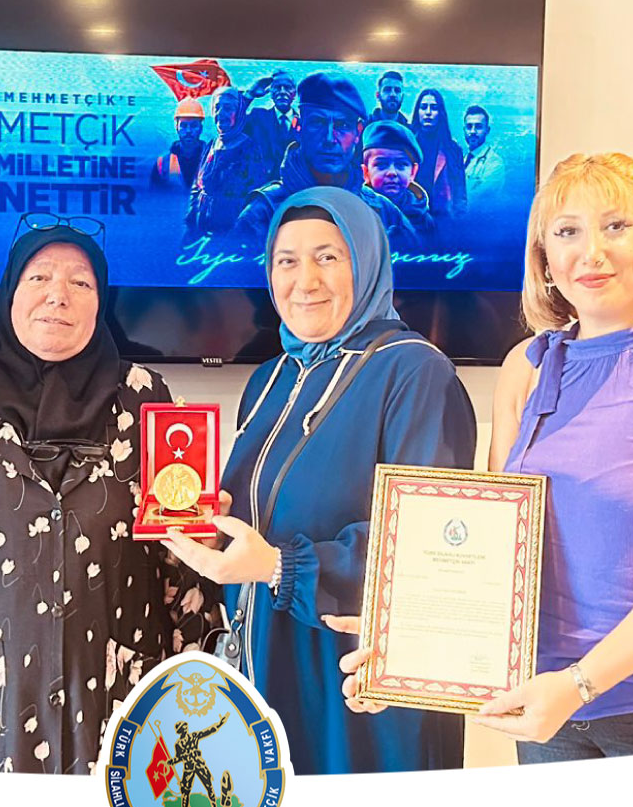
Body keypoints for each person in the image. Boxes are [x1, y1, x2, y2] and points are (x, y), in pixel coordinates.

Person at [339, 153, 633, 761]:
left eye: (616, 226)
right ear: (544, 256)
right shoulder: (525, 366)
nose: (592, 252)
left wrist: (580, 683)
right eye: (567, 231)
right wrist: (407, 648)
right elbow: (491, 553)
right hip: (547, 705)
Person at [0, 218, 220, 773]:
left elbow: (185, 569)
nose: (58, 294)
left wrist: (198, 710)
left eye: (81, 282)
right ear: (10, 292)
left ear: (101, 303)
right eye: (39, 277)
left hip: (123, 711)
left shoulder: (148, 400)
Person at [164, 187, 476, 774]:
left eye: (328, 257)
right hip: (266, 666)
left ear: (367, 261)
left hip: (357, 687)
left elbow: (433, 556)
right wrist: (217, 531)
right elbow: (266, 518)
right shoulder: (270, 379)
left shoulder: (416, 373)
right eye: (286, 260)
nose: (304, 280)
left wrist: (279, 567)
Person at [232, 72, 414, 247]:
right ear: (298, 127)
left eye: (342, 125)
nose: (329, 138)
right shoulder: (263, 214)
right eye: (317, 123)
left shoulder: (386, 213)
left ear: (358, 132)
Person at [186, 87, 272, 237]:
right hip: (203, 228)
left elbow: (255, 197)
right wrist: (191, 221)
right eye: (217, 108)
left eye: (228, 108)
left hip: (232, 234)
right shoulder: (211, 145)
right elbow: (197, 186)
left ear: (238, 114)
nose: (220, 114)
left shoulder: (249, 149)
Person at [360, 119, 434, 238]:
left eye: (401, 165)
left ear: (413, 172)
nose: (392, 173)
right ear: (366, 172)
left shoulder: (423, 219)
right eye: (381, 164)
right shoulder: (358, 210)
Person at [409, 88, 467, 219]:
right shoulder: (407, 145)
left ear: (441, 113)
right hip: (411, 216)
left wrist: (459, 221)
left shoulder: (453, 150)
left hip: (442, 218)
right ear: (417, 112)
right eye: (424, 107)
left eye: (434, 108)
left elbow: (460, 193)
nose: (428, 112)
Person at [149, 96, 208, 191]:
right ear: (176, 127)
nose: (188, 131)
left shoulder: (211, 160)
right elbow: (154, 196)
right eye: (183, 125)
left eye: (193, 125)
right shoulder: (163, 163)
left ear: (201, 128)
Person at [243, 69, 299, 164]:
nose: (282, 91)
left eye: (287, 87)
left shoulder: (305, 123)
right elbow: (231, 122)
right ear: (270, 92)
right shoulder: (257, 117)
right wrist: (249, 95)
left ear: (294, 93)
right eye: (277, 87)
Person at [462, 104, 509, 205]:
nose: (473, 131)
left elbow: (476, 198)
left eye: (478, 127)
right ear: (464, 130)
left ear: (487, 130)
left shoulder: (495, 163)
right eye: (469, 127)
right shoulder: (463, 160)